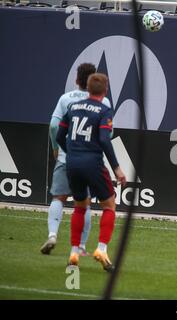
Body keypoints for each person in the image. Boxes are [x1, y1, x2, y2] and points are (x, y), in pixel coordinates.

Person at [56, 73, 126, 272]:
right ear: (105, 90)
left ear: (87, 88)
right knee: (109, 205)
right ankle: (102, 249)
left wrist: (73, 153)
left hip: (73, 163)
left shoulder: (72, 107)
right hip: (93, 163)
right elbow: (104, 139)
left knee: (80, 206)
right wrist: (117, 168)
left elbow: (60, 135)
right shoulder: (104, 110)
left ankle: (74, 252)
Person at [40, 63, 111, 256]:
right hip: (89, 160)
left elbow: (54, 127)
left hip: (67, 159)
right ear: (92, 80)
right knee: (84, 203)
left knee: (58, 198)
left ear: (77, 79)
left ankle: (53, 234)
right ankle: (80, 247)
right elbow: (107, 135)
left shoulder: (66, 99)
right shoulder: (103, 103)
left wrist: (58, 149)